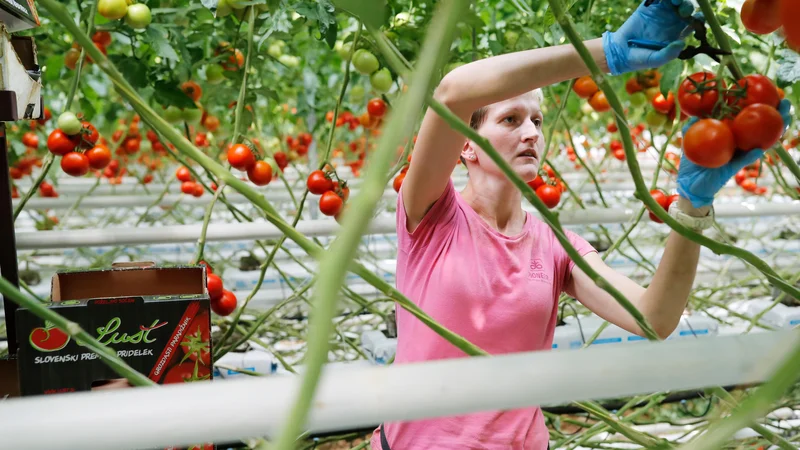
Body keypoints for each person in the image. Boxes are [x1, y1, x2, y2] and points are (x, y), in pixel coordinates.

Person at [369, 0, 792, 449]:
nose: (531, 132)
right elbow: (453, 92)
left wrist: (692, 207)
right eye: (510, 120)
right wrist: (605, 53)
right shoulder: (431, 216)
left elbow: (655, 318)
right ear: (468, 146)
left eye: (536, 120)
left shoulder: (555, 245)